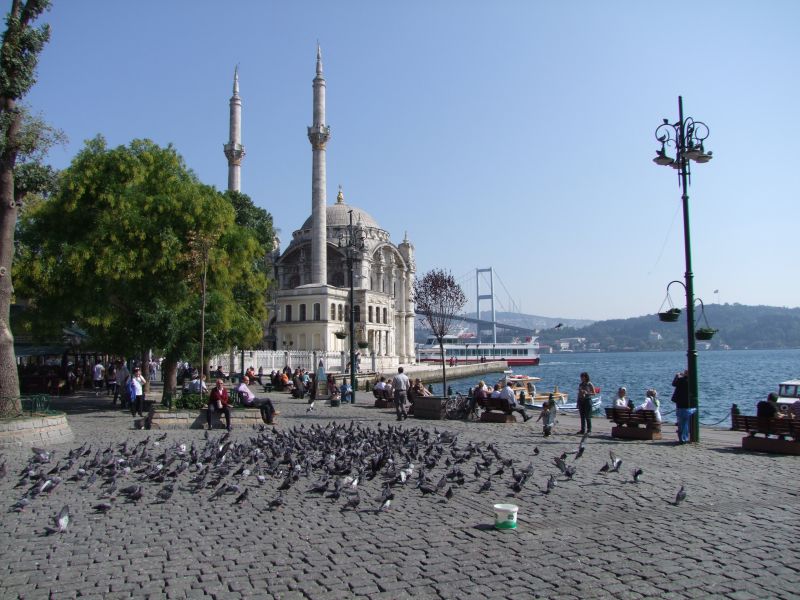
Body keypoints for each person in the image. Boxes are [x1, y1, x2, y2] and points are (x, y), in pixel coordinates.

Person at [671, 370, 695, 443]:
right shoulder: (691, 381)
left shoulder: (681, 380)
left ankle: (682, 438)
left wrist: (677, 376)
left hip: (680, 403)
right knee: (685, 420)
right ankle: (685, 437)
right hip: (688, 403)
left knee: (681, 420)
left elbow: (674, 384)